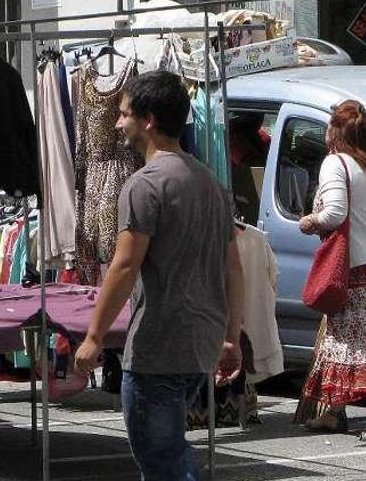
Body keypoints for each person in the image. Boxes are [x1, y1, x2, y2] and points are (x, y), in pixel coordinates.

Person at [73, 71, 244, 481]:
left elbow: (125, 265)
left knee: (162, 459)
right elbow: (233, 268)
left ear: (148, 119)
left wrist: (94, 338)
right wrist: (231, 337)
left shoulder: (144, 185)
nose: (118, 123)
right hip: (199, 342)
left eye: (124, 114)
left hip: (159, 346)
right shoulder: (210, 183)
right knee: (169, 453)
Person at [298, 100, 366, 441]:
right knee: (343, 340)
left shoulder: (335, 163)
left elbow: (334, 214)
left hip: (355, 269)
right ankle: (332, 412)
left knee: (359, 345)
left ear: (334, 130)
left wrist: (310, 221)